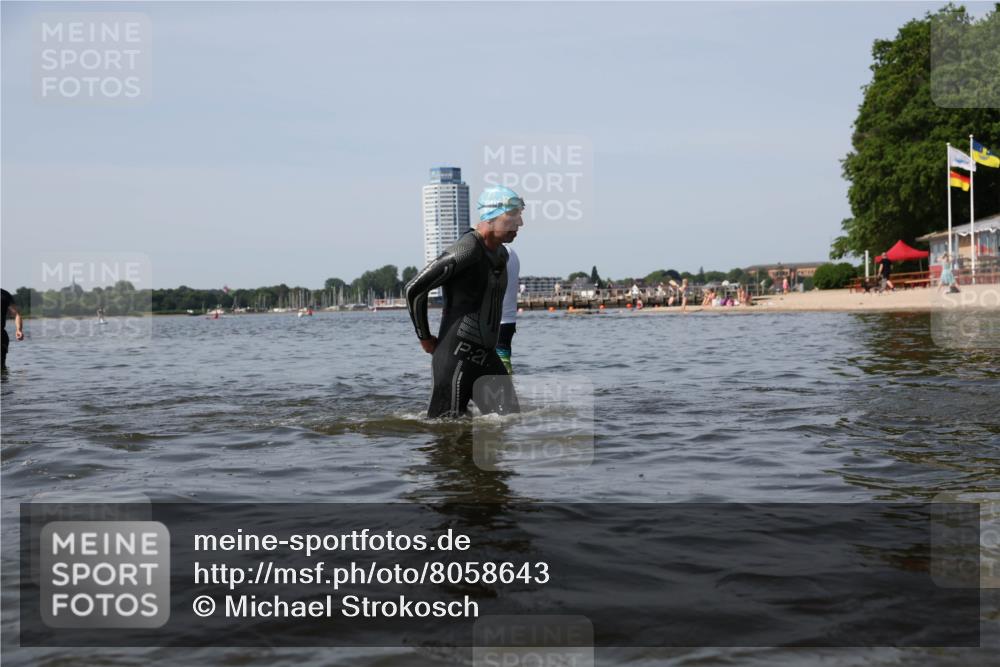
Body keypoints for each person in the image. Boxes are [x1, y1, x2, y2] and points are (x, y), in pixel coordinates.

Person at [405, 185, 523, 418]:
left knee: (510, 422)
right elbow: (414, 289)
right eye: (512, 216)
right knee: (445, 432)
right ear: (491, 216)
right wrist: (425, 338)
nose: (519, 223)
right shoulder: (467, 249)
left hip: (486, 357)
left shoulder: (501, 254)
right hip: (455, 358)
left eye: (519, 216)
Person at [496, 246, 519, 374]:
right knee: (505, 368)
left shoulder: (495, 252)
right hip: (508, 322)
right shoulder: (511, 252)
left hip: (491, 323)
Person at [2, 288, 25, 371]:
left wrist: (19, 329)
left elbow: (16, 315)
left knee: (2, 368)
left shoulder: (4, 295)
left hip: (1, 337)